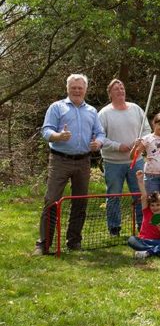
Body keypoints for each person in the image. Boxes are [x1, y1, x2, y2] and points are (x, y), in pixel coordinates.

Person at [36, 74, 106, 255]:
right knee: (51, 201)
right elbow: (46, 130)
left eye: (80, 88)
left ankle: (74, 241)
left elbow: (100, 133)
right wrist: (58, 136)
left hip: (83, 162)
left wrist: (98, 143)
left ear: (85, 89)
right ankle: (43, 244)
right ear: (67, 89)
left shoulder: (91, 111)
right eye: (73, 87)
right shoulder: (57, 107)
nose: (76, 90)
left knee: (80, 202)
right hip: (60, 160)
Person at [98, 79, 151, 236]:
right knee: (113, 195)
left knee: (140, 194)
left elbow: (147, 130)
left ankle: (143, 225)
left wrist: (141, 144)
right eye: (116, 88)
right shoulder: (104, 114)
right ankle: (114, 228)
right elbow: (100, 138)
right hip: (113, 163)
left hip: (136, 161)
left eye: (122, 87)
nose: (120, 90)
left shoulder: (136, 109)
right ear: (110, 93)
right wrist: (117, 146)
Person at [127, 170, 160, 259]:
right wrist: (140, 181)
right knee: (131, 239)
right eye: (152, 205)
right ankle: (158, 251)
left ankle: (147, 252)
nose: (155, 207)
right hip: (144, 241)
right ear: (149, 205)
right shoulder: (146, 211)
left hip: (158, 241)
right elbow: (144, 196)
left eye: (158, 205)